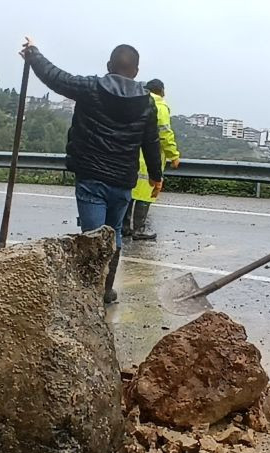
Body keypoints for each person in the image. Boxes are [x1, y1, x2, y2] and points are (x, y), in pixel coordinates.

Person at [21, 37, 164, 304]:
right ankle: (105, 290)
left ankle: (89, 292)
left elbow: (56, 77)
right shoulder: (147, 103)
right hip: (122, 181)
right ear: (136, 71)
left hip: (92, 178)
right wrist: (156, 176)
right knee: (115, 234)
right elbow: (151, 143)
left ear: (109, 65)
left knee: (92, 237)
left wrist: (33, 54)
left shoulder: (91, 87)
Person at [125, 79, 180, 241]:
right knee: (146, 192)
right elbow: (164, 134)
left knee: (130, 193)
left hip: (130, 154)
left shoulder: (135, 103)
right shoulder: (160, 107)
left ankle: (125, 227)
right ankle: (139, 230)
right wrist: (173, 155)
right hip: (147, 158)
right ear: (161, 91)